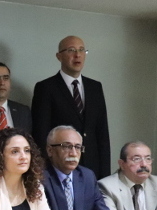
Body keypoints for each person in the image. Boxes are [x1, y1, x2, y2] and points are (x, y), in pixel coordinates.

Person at [32, 36, 111, 179]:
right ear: (59, 56)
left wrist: (105, 176)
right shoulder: (46, 88)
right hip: (58, 168)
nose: (77, 55)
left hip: (92, 168)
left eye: (82, 50)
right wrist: (42, 173)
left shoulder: (95, 87)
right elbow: (41, 134)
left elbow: (102, 134)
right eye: (71, 50)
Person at [42, 125, 117, 210]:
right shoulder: (39, 177)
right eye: (66, 146)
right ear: (50, 150)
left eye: (77, 147)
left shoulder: (87, 176)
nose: (73, 153)